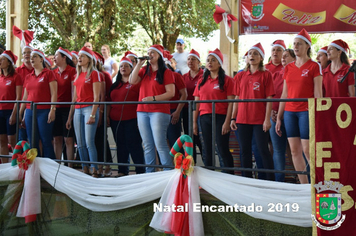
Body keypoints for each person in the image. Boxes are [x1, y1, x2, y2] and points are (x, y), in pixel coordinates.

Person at [276, 29, 323, 184]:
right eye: (294, 44)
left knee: (308, 150)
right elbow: (285, 94)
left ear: (307, 46)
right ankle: (304, 186)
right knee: (295, 150)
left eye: (299, 44)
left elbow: (318, 93)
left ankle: (318, 185)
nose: (295, 47)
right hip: (289, 112)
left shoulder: (314, 66)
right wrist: (279, 117)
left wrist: (319, 115)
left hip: (306, 111)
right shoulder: (288, 68)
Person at [230, 43, 275, 180]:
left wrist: (267, 119)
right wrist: (233, 118)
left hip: (259, 119)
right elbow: (237, 98)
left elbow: (269, 99)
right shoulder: (240, 76)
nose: (252, 56)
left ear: (261, 58)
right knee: (244, 151)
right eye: (250, 53)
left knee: (262, 150)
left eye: (255, 53)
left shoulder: (266, 75)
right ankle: (246, 180)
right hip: (242, 119)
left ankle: (270, 181)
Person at [129, 44, 175, 173]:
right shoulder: (144, 71)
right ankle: (149, 174)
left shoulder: (166, 72)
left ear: (159, 56)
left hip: (159, 111)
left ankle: (167, 172)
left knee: (160, 144)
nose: (149, 55)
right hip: (142, 111)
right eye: (148, 52)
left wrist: (153, 98)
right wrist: (138, 64)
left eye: (152, 53)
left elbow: (171, 93)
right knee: (148, 145)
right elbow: (132, 81)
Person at [193, 48, 235, 174]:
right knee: (207, 149)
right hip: (204, 117)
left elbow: (231, 103)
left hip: (220, 117)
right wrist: (194, 122)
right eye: (208, 60)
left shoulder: (227, 80)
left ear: (219, 63)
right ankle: (210, 178)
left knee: (222, 148)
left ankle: (229, 176)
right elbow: (196, 103)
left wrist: (227, 122)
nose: (210, 62)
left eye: (213, 60)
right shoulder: (201, 81)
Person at [66, 47, 101, 177]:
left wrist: (93, 114)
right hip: (78, 110)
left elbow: (97, 97)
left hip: (89, 108)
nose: (79, 58)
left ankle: (95, 169)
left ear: (89, 59)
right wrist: (70, 117)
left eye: (82, 56)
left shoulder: (94, 74)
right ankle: (84, 168)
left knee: (88, 142)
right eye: (79, 56)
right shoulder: (77, 75)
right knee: (79, 143)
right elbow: (74, 99)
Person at [108, 57, 145, 176]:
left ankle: (140, 171)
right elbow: (109, 101)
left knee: (134, 145)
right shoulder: (115, 85)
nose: (123, 68)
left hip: (132, 119)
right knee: (120, 145)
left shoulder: (136, 82)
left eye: (126, 66)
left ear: (132, 68)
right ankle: (122, 170)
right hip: (115, 120)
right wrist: (107, 117)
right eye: (121, 66)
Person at [20, 49, 57, 159]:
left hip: (44, 111)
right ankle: (35, 169)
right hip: (30, 111)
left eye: (34, 56)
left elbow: (54, 93)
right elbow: (25, 97)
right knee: (32, 141)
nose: (31, 59)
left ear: (41, 59)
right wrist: (21, 113)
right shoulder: (28, 76)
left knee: (45, 139)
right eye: (31, 57)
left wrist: (52, 109)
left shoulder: (49, 73)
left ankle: (50, 168)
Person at [270, 49, 296, 182]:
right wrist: (272, 112)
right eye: (283, 57)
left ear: (294, 58)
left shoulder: (297, 73)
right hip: (275, 116)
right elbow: (270, 95)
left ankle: (300, 179)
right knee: (278, 150)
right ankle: (279, 181)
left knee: (296, 150)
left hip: (294, 115)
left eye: (287, 56)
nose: (283, 59)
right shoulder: (275, 75)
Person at [53, 47, 76, 166]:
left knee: (68, 139)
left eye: (56, 55)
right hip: (55, 108)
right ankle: (57, 165)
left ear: (64, 57)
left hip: (68, 108)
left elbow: (74, 94)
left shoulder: (72, 71)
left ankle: (70, 166)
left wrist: (71, 115)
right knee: (57, 138)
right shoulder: (53, 72)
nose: (54, 58)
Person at [0, 50, 22, 163]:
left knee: (12, 140)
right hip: (0, 111)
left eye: (2, 59)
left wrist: (14, 114)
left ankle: (18, 166)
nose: (0, 61)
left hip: (10, 111)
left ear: (9, 62)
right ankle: (4, 167)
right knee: (2, 141)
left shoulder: (16, 77)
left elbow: (18, 97)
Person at [93, 51, 113, 177]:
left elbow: (108, 97)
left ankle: (107, 165)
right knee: (93, 140)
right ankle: (97, 166)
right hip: (90, 110)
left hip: (101, 109)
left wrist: (104, 114)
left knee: (101, 139)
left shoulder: (105, 75)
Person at [182, 49, 204, 161]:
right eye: (189, 59)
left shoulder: (204, 75)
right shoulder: (184, 76)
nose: (190, 61)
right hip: (187, 111)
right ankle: (191, 165)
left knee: (200, 139)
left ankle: (208, 167)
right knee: (189, 139)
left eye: (193, 59)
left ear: (199, 62)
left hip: (200, 111)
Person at [164, 50, 187, 148]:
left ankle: (179, 163)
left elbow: (184, 94)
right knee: (163, 142)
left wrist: (177, 112)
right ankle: (164, 163)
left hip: (173, 111)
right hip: (160, 112)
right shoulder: (156, 77)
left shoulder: (176, 76)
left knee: (175, 143)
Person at [16, 45, 34, 141]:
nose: (26, 55)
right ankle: (21, 156)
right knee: (21, 138)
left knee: (34, 137)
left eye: (29, 52)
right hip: (21, 107)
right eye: (24, 53)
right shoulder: (17, 71)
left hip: (34, 107)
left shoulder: (38, 70)